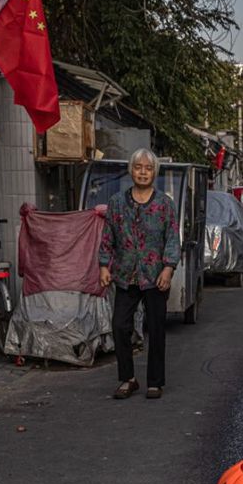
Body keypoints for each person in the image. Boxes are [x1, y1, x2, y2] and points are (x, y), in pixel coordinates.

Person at [99, 148, 179, 400]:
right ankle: (128, 378)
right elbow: (108, 236)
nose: (143, 172)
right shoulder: (117, 202)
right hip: (125, 274)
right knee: (120, 326)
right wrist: (104, 265)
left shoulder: (165, 204)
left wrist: (168, 268)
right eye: (138, 167)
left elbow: (172, 238)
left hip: (156, 275)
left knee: (155, 329)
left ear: (154, 172)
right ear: (131, 170)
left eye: (148, 168)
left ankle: (155, 382)